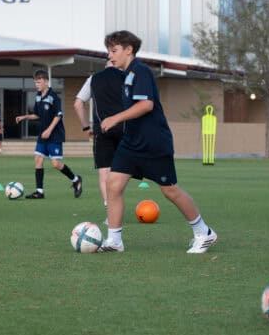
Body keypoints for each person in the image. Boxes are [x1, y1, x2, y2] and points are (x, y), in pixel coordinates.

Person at [98, 30, 217, 254]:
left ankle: (205, 233)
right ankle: (114, 240)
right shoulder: (125, 75)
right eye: (108, 52)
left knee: (170, 191)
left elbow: (146, 106)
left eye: (114, 51)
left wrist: (115, 118)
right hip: (131, 143)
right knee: (113, 185)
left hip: (153, 143)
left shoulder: (140, 71)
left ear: (128, 49)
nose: (110, 56)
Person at [15, 69, 82, 199]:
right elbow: (37, 115)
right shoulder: (38, 96)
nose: (37, 85)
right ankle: (39, 191)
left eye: (39, 82)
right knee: (38, 159)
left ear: (46, 81)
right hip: (43, 134)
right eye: (35, 82)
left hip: (54, 135)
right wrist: (24, 117)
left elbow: (58, 115)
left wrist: (49, 130)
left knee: (56, 163)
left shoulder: (54, 96)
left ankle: (75, 179)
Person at [73, 61, 125, 215]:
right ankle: (118, 203)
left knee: (104, 171)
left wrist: (86, 127)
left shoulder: (94, 78)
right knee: (122, 170)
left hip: (101, 130)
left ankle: (110, 208)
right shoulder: (126, 76)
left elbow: (77, 104)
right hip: (124, 128)